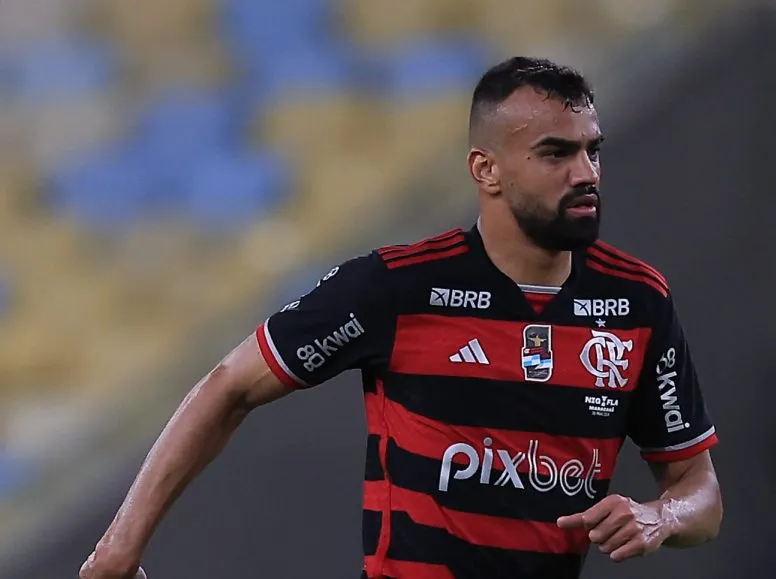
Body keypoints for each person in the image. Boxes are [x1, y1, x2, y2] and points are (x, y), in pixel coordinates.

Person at [80, 56, 723, 579]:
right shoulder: (398, 286)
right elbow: (229, 386)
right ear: (486, 170)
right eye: (556, 154)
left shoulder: (638, 302)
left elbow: (700, 494)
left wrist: (661, 516)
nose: (586, 173)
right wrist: (119, 547)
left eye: (592, 151)